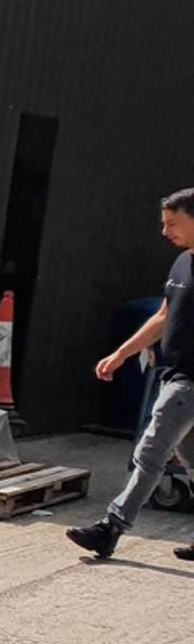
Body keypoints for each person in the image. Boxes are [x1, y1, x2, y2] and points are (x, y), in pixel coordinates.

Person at [68, 186, 194, 558]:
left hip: (189, 381)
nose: (164, 231)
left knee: (151, 451)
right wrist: (122, 353)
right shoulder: (183, 262)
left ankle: (111, 527)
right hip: (175, 373)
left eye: (173, 222)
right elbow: (164, 316)